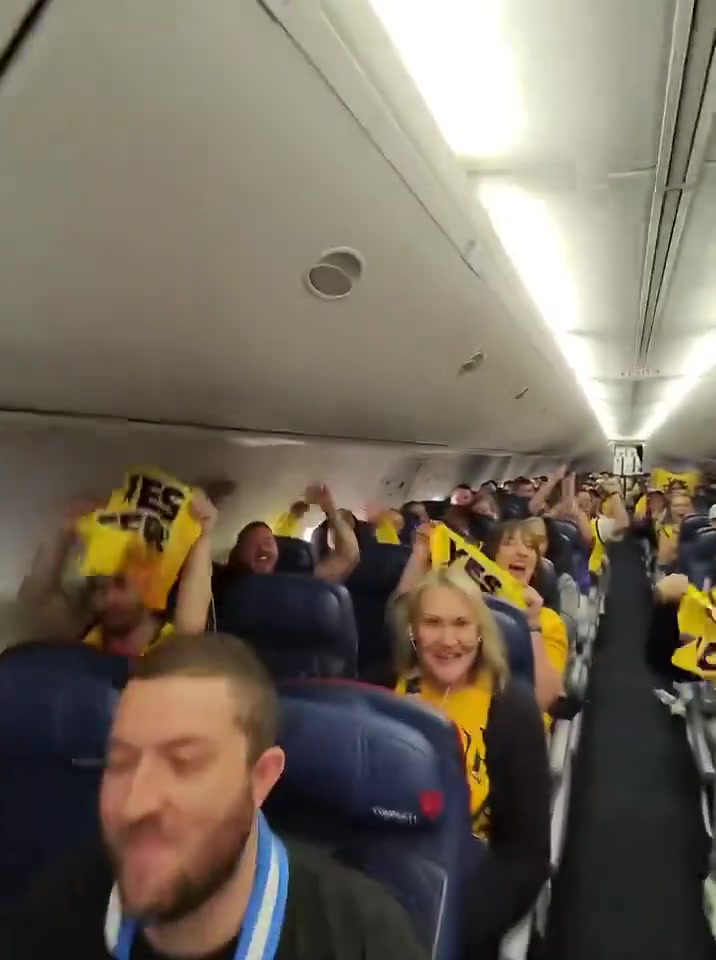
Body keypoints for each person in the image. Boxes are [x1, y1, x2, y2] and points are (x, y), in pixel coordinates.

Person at [1, 633, 429, 960]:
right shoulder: (50, 922)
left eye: (184, 763)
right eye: (120, 762)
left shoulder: (364, 940)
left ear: (260, 779)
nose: (135, 804)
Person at [393, 569, 550, 958]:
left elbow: (525, 856)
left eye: (461, 623)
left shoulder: (512, 710)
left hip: (470, 880)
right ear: (412, 632)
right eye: (432, 623)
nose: (448, 640)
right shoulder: (383, 691)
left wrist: (456, 926)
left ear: (480, 632)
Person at [17, 491, 216, 657]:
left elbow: (192, 621)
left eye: (121, 584)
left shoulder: (171, 646)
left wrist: (203, 536)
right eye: (99, 588)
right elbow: (39, 594)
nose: (108, 598)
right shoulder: (82, 636)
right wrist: (66, 529)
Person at [486, 521, 567, 714]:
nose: (522, 552)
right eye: (509, 543)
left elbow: (544, 700)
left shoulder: (548, 621)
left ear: (535, 570)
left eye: (530, 547)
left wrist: (532, 625)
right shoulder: (466, 608)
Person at [227, 485, 359, 584]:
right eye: (252, 544)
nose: (263, 548)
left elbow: (348, 556)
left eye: (268, 542)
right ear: (240, 554)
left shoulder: (304, 581)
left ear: (277, 550)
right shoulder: (228, 588)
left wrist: (331, 511)